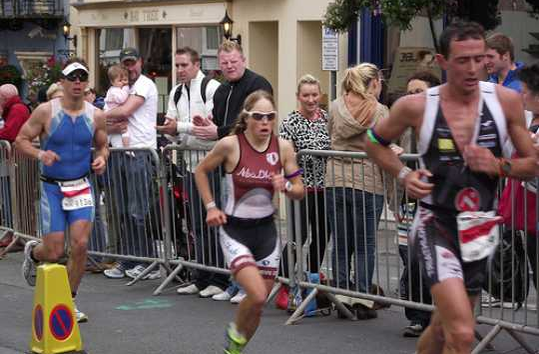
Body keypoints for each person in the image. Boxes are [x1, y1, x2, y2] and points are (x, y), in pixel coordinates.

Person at [364, 21, 538, 354]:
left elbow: (532, 163)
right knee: (461, 332)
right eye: (462, 60)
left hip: (480, 225)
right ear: (443, 62)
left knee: (444, 328)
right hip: (436, 223)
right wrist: (404, 175)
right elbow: (373, 142)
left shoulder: (505, 102)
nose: (473, 68)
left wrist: (498, 165)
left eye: (479, 59)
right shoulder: (417, 106)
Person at [195, 90, 304, 354]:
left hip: (266, 232)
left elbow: (300, 190)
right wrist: (211, 207)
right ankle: (234, 334)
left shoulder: (283, 147)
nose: (265, 122)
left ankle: (234, 348)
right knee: (255, 294)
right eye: (258, 117)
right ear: (247, 118)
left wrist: (287, 185)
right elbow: (200, 170)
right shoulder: (231, 144)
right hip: (235, 232)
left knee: (258, 303)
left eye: (270, 116)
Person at [16, 59, 109, 322]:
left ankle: (70, 300)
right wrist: (40, 153)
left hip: (80, 185)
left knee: (80, 245)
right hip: (52, 188)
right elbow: (21, 140)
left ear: (87, 82)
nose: (77, 82)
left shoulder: (96, 115)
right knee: (54, 251)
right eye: (72, 77)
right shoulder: (46, 111)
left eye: (82, 77)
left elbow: (103, 146)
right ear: (62, 81)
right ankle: (34, 253)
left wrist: (102, 158)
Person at [156, 47, 229, 299]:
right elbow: (172, 128)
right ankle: (201, 275)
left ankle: (220, 277)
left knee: (213, 222)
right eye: (176, 65)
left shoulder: (211, 88)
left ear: (197, 65)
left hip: (210, 165)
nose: (179, 70)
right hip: (188, 164)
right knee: (195, 223)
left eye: (184, 65)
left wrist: (180, 128)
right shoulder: (176, 92)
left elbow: (211, 131)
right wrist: (171, 130)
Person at [326, 63, 387, 320]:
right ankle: (362, 299)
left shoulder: (334, 106)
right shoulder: (380, 111)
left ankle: (341, 299)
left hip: (336, 178)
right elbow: (385, 143)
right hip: (368, 179)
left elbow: (330, 134)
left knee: (340, 242)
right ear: (373, 83)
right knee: (365, 243)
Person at [102, 47, 161, 280]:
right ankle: (128, 260)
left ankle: (148, 262)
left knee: (139, 210)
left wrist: (100, 116)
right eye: (125, 63)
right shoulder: (120, 88)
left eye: (133, 62)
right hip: (119, 152)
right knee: (123, 210)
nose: (130, 67)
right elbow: (108, 121)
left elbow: (124, 110)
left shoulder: (145, 84)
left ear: (140, 62)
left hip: (140, 153)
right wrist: (108, 123)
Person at [277, 74, 330, 309]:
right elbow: (283, 155)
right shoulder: (290, 122)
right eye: (306, 95)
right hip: (301, 188)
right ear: (298, 97)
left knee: (321, 235)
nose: (311, 100)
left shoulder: (326, 119)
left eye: (315, 95)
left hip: (325, 187)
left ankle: (311, 279)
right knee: (299, 236)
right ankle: (284, 283)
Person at [395, 71, 440, 338]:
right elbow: (379, 143)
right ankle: (417, 315)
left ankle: (440, 314)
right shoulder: (403, 123)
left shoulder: (441, 123)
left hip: (439, 205)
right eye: (409, 92)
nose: (412, 97)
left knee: (434, 261)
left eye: (418, 91)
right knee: (410, 258)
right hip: (409, 202)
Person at [498, 63, 539, 291]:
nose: (521, 96)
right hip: (529, 215)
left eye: (524, 91)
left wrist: (500, 166)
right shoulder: (525, 119)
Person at [190, 40, 273, 141]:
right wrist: (206, 126)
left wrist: (219, 132)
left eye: (234, 62)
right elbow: (218, 123)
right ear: (219, 65)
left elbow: (256, 121)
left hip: (254, 150)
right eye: (224, 63)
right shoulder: (221, 91)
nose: (229, 66)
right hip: (227, 152)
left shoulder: (258, 85)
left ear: (243, 61)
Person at [0, 84, 31, 242]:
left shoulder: (17, 109)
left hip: (21, 160)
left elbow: (10, 132)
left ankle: (18, 235)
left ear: (4, 98)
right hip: (17, 159)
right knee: (12, 198)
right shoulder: (15, 108)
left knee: (18, 199)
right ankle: (15, 233)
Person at [104, 64, 130, 148]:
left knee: (123, 133)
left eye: (125, 80)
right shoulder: (114, 91)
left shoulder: (118, 89)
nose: (123, 82)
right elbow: (121, 99)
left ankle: (126, 149)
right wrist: (126, 88)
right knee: (106, 138)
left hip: (116, 119)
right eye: (120, 80)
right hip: (111, 118)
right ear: (112, 82)